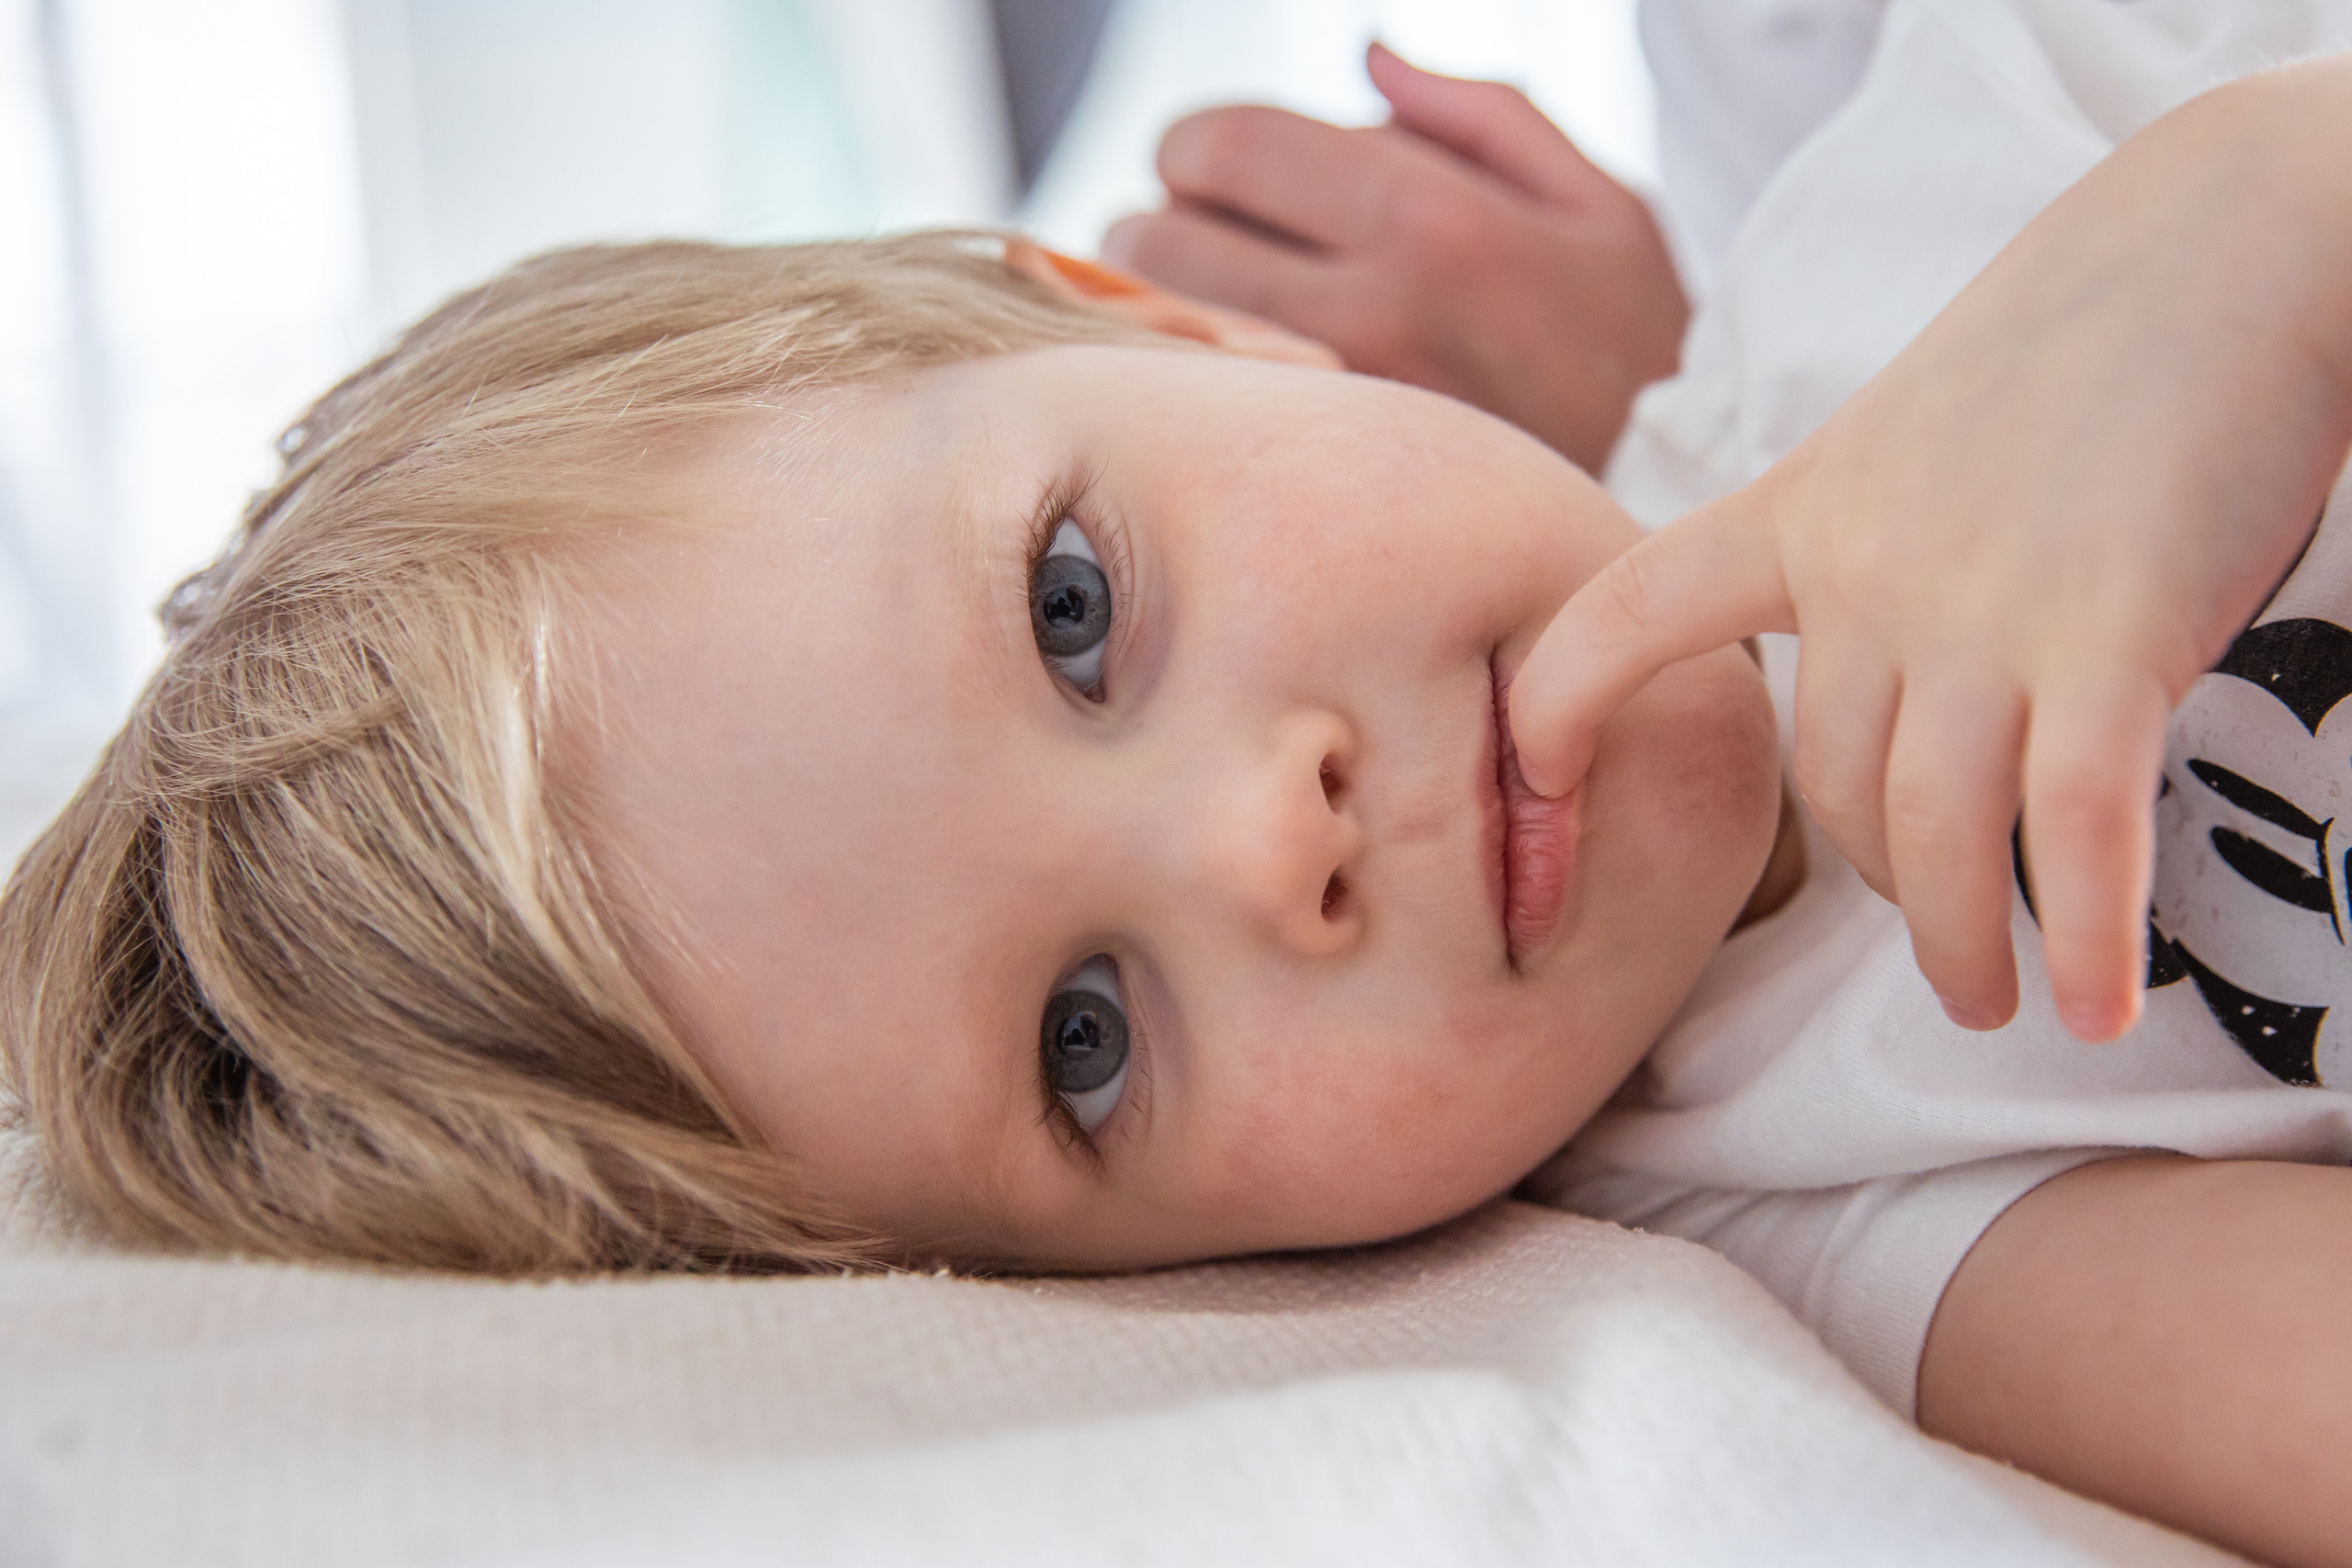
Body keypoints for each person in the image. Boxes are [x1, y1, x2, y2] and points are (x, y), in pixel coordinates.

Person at [2, 10, 2350, 1567]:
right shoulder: (1830, 1226)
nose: (1265, 841)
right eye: (1084, 1038)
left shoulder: (1996, 132)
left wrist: (2282, 200)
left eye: (1071, 610)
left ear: (1165, 323)